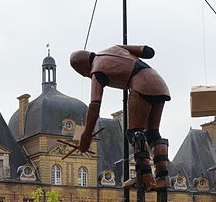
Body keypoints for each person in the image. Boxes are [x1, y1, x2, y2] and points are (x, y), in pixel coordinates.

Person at [71, 44, 171, 190]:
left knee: (134, 133)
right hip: (159, 83)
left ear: (82, 68)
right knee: (152, 133)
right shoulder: (114, 48)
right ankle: (163, 177)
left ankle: (145, 176)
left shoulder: (96, 69)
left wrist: (86, 134)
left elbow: (94, 104)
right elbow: (148, 51)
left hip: (141, 84)